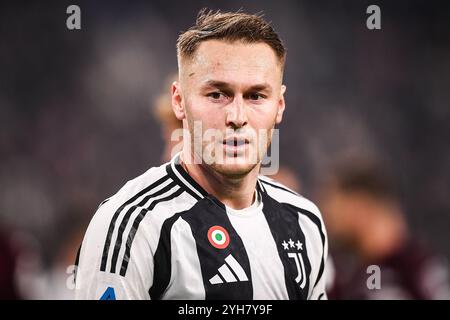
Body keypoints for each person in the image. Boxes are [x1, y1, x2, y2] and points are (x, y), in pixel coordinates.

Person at [75, 9, 328, 300]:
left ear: (279, 106)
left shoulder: (304, 221)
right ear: (179, 101)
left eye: (256, 96)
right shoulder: (132, 226)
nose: (237, 116)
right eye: (217, 94)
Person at [318, 159, 450, 299]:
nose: (328, 218)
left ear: (359, 206)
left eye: (334, 208)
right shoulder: (349, 274)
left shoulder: (418, 272)